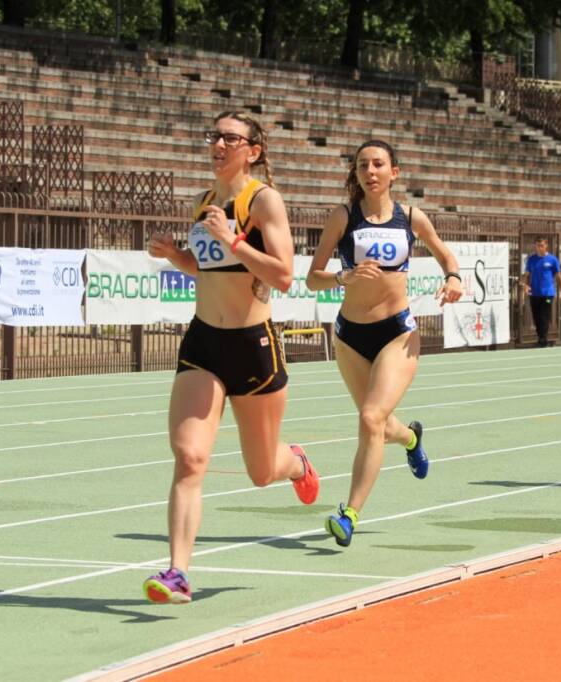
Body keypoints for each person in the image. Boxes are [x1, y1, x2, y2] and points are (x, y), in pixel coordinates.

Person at [142, 112, 319, 603]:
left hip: (253, 346)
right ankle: (177, 572)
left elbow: (284, 275)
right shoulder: (203, 203)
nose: (218, 144)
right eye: (214, 136)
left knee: (261, 472)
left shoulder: (262, 201)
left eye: (230, 138)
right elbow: (207, 269)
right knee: (190, 456)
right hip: (203, 344)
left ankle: (297, 463)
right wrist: (177, 256)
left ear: (253, 150)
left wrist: (233, 239)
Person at [306, 139, 463, 547]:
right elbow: (312, 276)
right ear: (356, 174)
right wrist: (344, 278)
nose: (370, 171)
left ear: (395, 172)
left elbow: (447, 258)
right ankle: (410, 438)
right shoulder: (343, 217)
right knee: (376, 422)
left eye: (378, 164)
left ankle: (349, 514)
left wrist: (454, 280)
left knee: (371, 420)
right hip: (350, 336)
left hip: (397, 332)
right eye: (362, 166)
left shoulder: (411, 217)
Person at [519, 236, 561, 347]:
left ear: (546, 246)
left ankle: (542, 340)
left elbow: (559, 277)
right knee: (536, 317)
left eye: (541, 245)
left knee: (544, 316)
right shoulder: (531, 259)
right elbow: (525, 275)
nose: (539, 248)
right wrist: (524, 285)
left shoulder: (552, 260)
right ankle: (541, 338)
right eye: (537, 245)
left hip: (548, 294)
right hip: (534, 294)